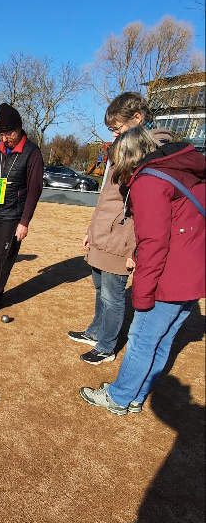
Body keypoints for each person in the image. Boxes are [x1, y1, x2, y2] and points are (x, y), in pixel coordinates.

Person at [80, 126, 205, 415]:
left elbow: (154, 243)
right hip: (194, 274)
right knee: (162, 339)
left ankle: (119, 397)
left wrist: (143, 294)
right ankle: (137, 395)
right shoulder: (180, 169)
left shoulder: (149, 180)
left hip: (171, 276)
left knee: (142, 339)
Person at [68, 93, 172, 364]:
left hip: (122, 239)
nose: (114, 134)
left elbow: (146, 210)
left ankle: (106, 346)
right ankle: (95, 331)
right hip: (104, 233)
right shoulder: (122, 147)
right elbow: (108, 197)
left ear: (137, 118)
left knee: (113, 295)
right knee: (101, 287)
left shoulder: (151, 152)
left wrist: (134, 250)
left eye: (117, 128)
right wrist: (92, 231)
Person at [0, 103, 44, 314]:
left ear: (20, 128)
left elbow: (34, 190)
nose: (5, 139)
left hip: (13, 214)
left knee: (3, 257)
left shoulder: (32, 153)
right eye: (1, 134)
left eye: (9, 133)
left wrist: (24, 221)